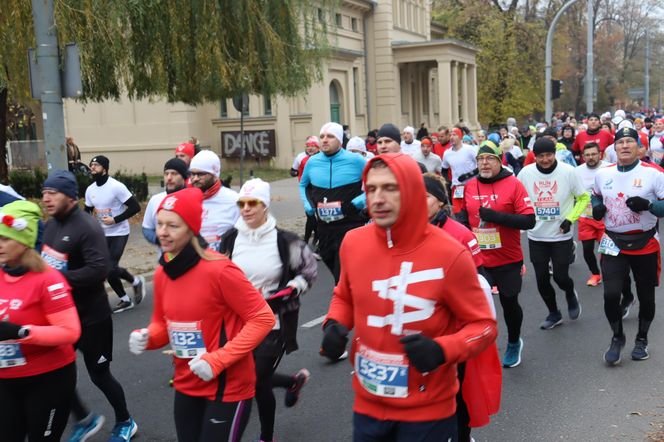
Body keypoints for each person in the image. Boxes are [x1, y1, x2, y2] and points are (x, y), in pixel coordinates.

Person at [320, 153, 497, 441]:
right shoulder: (353, 243)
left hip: (427, 412)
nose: (377, 199)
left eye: (390, 188)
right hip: (368, 405)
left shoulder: (450, 254)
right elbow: (343, 295)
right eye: (371, 189)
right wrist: (334, 324)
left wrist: (442, 350)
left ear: (413, 191)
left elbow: (484, 327)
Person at [128, 187, 275, 442]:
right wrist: (148, 336)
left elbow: (263, 318)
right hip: (187, 382)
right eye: (160, 224)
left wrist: (218, 359)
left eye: (172, 226)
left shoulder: (220, 271)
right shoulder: (164, 272)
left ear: (191, 229)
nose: (162, 232)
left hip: (227, 387)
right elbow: (163, 325)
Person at [41, 170, 138, 441]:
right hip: (61, 317)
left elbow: (99, 271)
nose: (46, 198)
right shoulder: (50, 226)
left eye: (53, 193)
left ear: (70, 197)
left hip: (91, 317)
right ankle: (84, 419)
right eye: (44, 193)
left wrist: (56, 278)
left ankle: (125, 421)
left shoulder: (87, 227)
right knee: (54, 373)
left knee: (99, 374)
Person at [219, 179, 317, 442]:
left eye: (253, 203)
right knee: (251, 379)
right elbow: (218, 274)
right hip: (238, 323)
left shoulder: (284, 241)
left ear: (266, 205)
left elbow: (309, 270)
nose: (247, 209)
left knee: (253, 379)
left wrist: (294, 286)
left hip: (273, 322)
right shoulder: (231, 238)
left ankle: (266, 437)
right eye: (242, 203)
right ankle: (291, 382)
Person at [424, 173, 501, 442]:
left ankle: (461, 435)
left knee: (458, 393)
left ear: (441, 202)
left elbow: (478, 284)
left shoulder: (460, 235)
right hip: (421, 326)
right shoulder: (404, 232)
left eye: (426, 197)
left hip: (455, 330)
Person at [0, 200, 81, 442]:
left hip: (48, 380)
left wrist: (22, 332)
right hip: (6, 379)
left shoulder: (48, 279)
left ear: (24, 242)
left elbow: (70, 332)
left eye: (5, 239)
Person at [458, 141, 536, 367]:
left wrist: (495, 216)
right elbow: (463, 215)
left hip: (507, 258)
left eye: (489, 158)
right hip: (478, 259)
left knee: (509, 302)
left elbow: (529, 221)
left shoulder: (513, 184)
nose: (484, 163)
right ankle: (476, 345)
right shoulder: (470, 186)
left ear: (499, 160)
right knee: (473, 305)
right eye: (480, 159)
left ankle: (513, 342)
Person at [592, 126, 664, 365]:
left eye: (629, 142)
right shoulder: (604, 173)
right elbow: (596, 195)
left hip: (645, 243)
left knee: (646, 296)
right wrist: (597, 206)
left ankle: (641, 339)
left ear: (639, 147)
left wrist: (649, 206)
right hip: (613, 241)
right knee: (611, 294)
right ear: (614, 147)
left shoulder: (654, 173)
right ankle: (617, 336)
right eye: (620, 142)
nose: (624, 146)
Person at [518, 138, 588, 330]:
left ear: (554, 154)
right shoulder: (525, 173)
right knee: (541, 278)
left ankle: (570, 292)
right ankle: (554, 313)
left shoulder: (568, 172)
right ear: (535, 156)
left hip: (560, 234)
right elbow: (517, 196)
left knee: (560, 276)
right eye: (541, 156)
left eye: (549, 155)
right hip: (536, 235)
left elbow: (583, 197)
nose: (545, 159)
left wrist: (570, 219)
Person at [299, 122, 366, 283]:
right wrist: (307, 204)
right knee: (329, 259)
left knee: (341, 272)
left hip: (350, 225)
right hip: (324, 227)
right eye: (322, 136)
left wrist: (360, 200)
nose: (325, 140)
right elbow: (303, 185)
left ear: (340, 140)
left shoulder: (356, 160)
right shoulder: (312, 162)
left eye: (330, 136)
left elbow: (375, 183)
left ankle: (344, 300)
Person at [84, 156, 145, 313]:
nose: (92, 167)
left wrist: (115, 219)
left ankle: (136, 281)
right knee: (106, 268)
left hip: (119, 232)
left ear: (104, 169)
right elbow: (87, 212)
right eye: (91, 165)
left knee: (109, 267)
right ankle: (125, 299)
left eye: (96, 165)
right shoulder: (90, 190)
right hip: (101, 233)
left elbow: (135, 207)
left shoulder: (116, 187)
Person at [188, 150, 240, 251]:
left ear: (215, 174)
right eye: (192, 174)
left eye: (200, 174)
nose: (194, 179)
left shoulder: (234, 200)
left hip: (222, 262)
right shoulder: (185, 199)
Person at [574, 142, 609, 286]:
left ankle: (608, 273)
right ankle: (595, 274)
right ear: (583, 157)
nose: (591, 157)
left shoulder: (608, 168)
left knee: (606, 251)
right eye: (587, 155)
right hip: (585, 217)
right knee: (587, 251)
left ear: (600, 154)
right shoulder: (577, 171)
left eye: (594, 154)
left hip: (605, 218)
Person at [143, 158, 189, 247]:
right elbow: (147, 228)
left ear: (184, 177)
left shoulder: (193, 199)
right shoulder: (155, 200)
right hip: (165, 258)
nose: (169, 178)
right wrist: (158, 240)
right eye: (166, 174)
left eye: (174, 174)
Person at [441, 127, 478, 214]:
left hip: (471, 185)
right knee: (458, 212)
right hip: (457, 187)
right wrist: (448, 182)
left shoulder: (469, 149)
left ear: (461, 137)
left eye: (454, 135)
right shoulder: (447, 153)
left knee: (472, 210)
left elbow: (480, 165)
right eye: (450, 135)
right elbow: (444, 170)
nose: (451, 137)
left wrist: (467, 175)